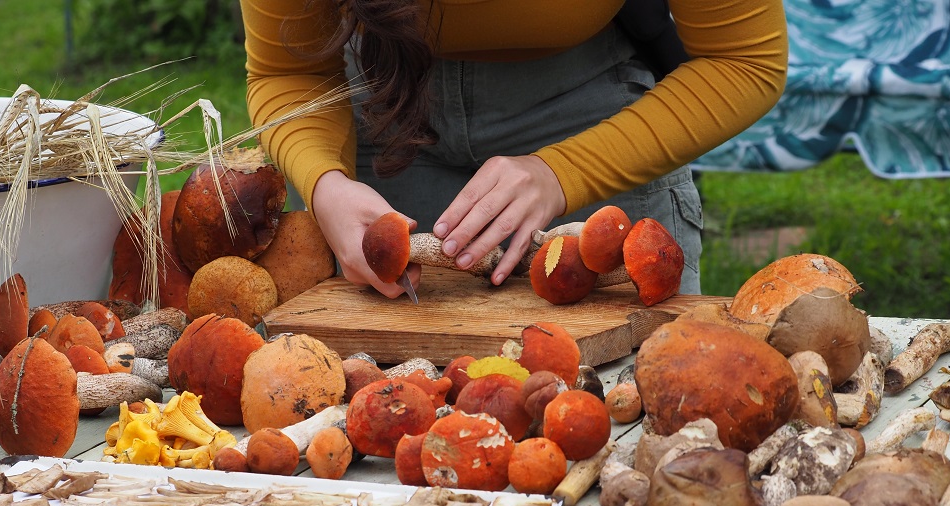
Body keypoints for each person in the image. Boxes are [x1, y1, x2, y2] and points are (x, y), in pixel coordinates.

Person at [240, 0, 788, 298]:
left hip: (596, 122)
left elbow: (743, 60)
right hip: (385, 110)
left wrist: (563, 172)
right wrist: (324, 183)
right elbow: (290, 69)